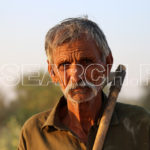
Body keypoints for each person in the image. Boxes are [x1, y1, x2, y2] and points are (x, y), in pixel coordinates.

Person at [18, 17, 150, 150]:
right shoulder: (33, 133)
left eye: (86, 62)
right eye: (64, 65)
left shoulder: (140, 123)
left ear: (107, 64)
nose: (76, 76)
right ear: (52, 72)